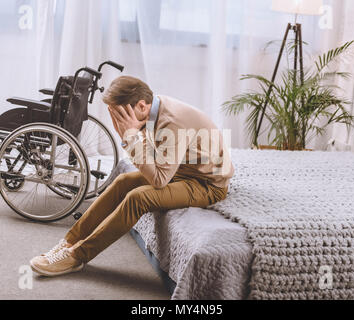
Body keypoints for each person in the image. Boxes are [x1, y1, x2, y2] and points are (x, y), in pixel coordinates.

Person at [29, 75, 234, 276]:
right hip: (182, 170)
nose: (120, 120)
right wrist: (129, 135)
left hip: (207, 183)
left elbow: (159, 180)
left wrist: (130, 137)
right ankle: (69, 242)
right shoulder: (152, 108)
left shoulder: (172, 122)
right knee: (123, 181)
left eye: (122, 115)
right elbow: (154, 155)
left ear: (142, 106)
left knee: (138, 198)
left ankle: (77, 256)